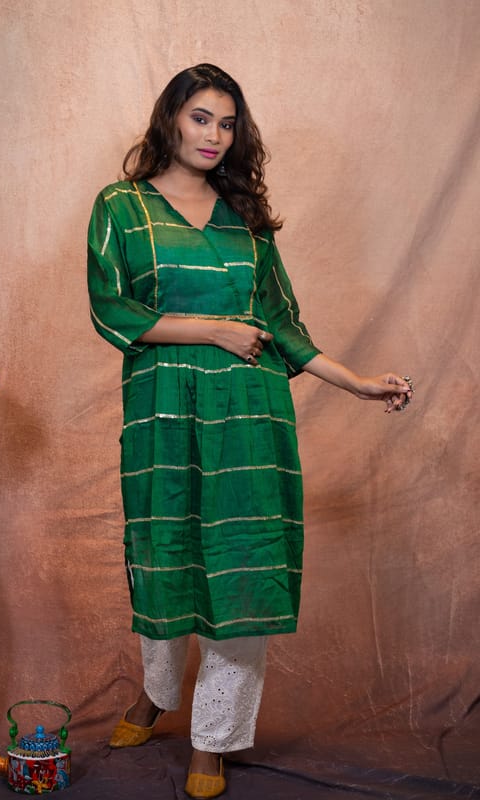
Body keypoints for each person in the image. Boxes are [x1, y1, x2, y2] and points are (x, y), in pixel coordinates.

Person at [87, 63, 412, 800]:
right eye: (201, 117)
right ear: (171, 119)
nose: (214, 135)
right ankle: (156, 696)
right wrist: (213, 329)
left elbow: (282, 325)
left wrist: (358, 382)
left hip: (248, 414)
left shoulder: (246, 219)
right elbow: (112, 307)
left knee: (241, 567)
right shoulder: (121, 207)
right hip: (163, 409)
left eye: (227, 124)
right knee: (166, 554)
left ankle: (212, 741)